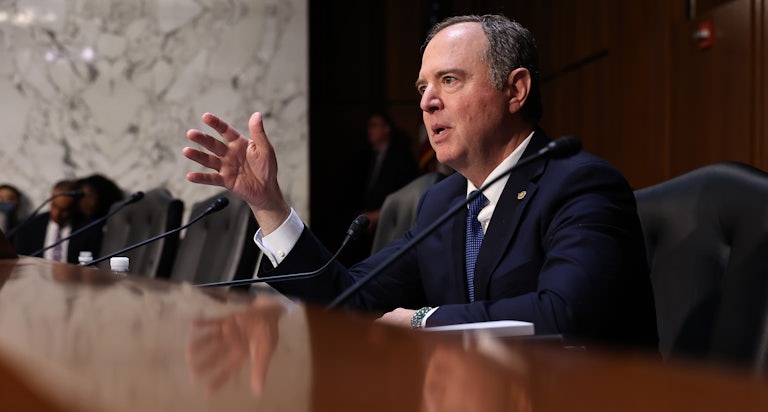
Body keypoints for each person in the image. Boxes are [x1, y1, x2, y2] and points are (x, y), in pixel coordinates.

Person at [183, 14, 657, 347]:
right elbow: (348, 298)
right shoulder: (443, 203)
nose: (428, 102)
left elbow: (564, 315)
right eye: (422, 88)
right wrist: (268, 205)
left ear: (515, 90)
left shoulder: (582, 185)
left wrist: (424, 320)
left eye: (448, 80)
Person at [340, 112, 419, 263]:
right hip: (362, 227)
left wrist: (377, 215)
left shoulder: (401, 157)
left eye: (374, 126)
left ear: (387, 129)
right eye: (369, 126)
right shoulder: (363, 158)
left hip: (390, 225)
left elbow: (408, 192)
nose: (370, 130)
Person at [12, 179, 102, 263]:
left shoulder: (89, 228)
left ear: (75, 207)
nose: (57, 213)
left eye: (64, 210)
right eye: (54, 206)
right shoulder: (31, 225)